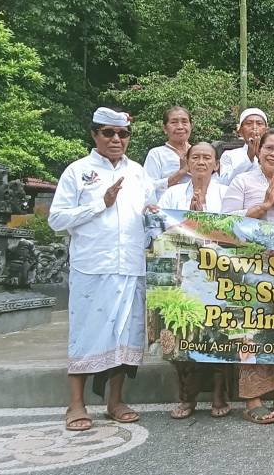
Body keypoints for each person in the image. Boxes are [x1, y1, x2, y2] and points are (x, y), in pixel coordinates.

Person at [49, 107, 156, 431]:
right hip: (93, 267)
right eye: (108, 133)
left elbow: (149, 217)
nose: (116, 139)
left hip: (131, 267)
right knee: (86, 334)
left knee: (126, 333)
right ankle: (76, 404)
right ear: (95, 134)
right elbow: (57, 220)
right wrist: (101, 203)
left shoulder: (138, 172)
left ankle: (115, 400)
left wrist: (155, 215)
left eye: (122, 134)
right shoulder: (77, 171)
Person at [221, 129, 274, 424]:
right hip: (248, 269)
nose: (273, 153)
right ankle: (253, 399)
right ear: (258, 150)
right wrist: (261, 208)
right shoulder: (241, 181)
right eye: (269, 147)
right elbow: (225, 223)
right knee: (252, 330)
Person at [157, 143, 232, 420]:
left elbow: (235, 230)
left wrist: (204, 220)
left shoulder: (226, 192)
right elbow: (160, 231)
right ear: (186, 163)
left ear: (216, 164)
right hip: (182, 274)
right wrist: (187, 219)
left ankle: (218, 393)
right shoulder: (173, 194)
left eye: (207, 158)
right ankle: (186, 397)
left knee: (216, 331)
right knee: (183, 333)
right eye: (195, 157)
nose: (201, 162)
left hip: (217, 273)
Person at [143, 106, 192, 199]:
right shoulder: (156, 153)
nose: (180, 127)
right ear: (165, 128)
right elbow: (148, 186)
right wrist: (181, 173)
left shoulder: (199, 153)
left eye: (184, 122)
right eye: (174, 122)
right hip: (167, 208)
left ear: (191, 126)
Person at [218, 108, 269, 185]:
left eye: (259, 123)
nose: (254, 127)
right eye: (249, 123)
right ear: (240, 131)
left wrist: (261, 158)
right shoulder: (228, 155)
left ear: (266, 131)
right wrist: (249, 157)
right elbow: (224, 182)